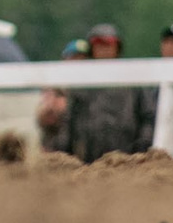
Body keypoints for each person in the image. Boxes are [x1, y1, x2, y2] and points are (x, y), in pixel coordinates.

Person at [60, 23, 154, 162]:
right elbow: (69, 123)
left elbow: (148, 116)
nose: (103, 49)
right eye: (99, 45)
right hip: (88, 162)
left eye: (108, 44)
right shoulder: (81, 84)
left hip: (127, 160)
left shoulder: (133, 80)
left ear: (117, 48)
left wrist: (142, 145)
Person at [37, 37, 89, 153]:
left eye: (82, 58)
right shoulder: (54, 83)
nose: (78, 62)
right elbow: (43, 117)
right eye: (74, 58)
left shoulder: (92, 87)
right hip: (57, 141)